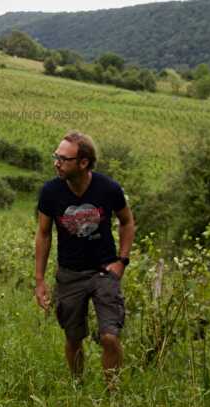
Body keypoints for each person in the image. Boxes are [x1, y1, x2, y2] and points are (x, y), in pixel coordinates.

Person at [34, 131, 135, 387]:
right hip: (70, 273)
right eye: (56, 156)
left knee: (110, 337)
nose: (56, 163)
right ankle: (78, 386)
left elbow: (127, 221)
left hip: (104, 271)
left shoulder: (109, 189)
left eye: (64, 159)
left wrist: (122, 261)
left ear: (83, 163)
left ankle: (113, 393)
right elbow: (44, 234)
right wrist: (40, 280)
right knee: (73, 336)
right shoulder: (50, 192)